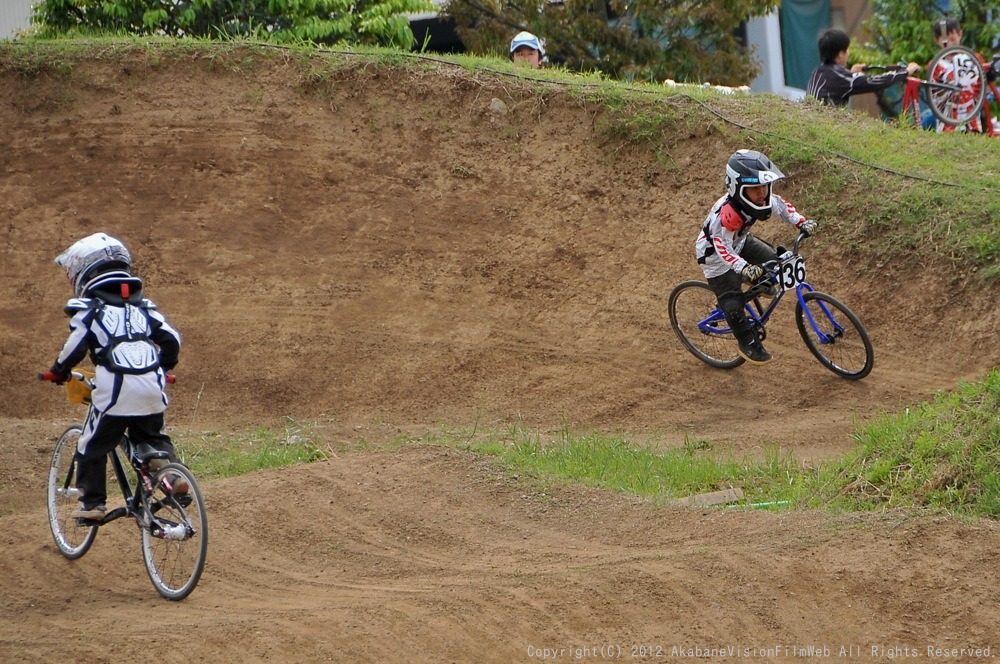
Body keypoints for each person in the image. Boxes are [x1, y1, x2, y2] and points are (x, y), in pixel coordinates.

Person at [47, 232, 182, 521]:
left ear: (82, 273)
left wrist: (58, 371)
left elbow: (74, 348)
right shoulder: (144, 308)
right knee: (153, 436)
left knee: (91, 444)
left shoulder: (90, 311)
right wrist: (163, 367)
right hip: (152, 389)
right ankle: (173, 476)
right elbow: (172, 340)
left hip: (115, 393)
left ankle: (92, 505)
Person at [694, 150, 818, 365]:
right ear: (739, 189)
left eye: (764, 186)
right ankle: (746, 342)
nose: (762, 193)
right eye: (755, 188)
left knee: (774, 262)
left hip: (741, 242)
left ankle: (757, 282)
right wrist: (743, 268)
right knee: (732, 302)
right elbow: (722, 247)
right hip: (715, 257)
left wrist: (800, 221)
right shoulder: (725, 216)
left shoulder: (762, 198)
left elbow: (781, 206)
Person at [806, 27, 920, 107]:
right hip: (827, 128)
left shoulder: (817, 72)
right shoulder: (842, 77)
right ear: (840, 54)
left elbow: (839, 82)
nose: (848, 53)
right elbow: (876, 81)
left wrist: (851, 73)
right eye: (847, 49)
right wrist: (906, 71)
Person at [924, 17, 997, 135]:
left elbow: (983, 92)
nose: (948, 44)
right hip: (947, 126)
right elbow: (936, 95)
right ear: (937, 40)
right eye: (944, 41)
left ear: (960, 34)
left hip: (973, 123)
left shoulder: (975, 59)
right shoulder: (934, 66)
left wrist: (988, 76)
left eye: (952, 38)